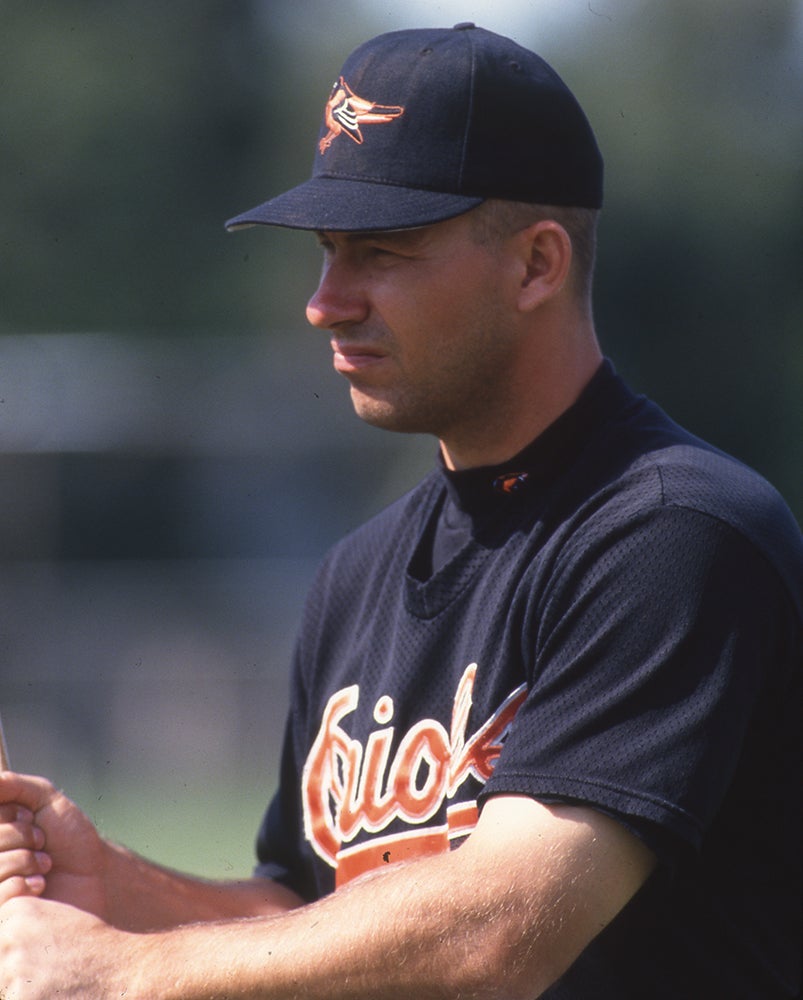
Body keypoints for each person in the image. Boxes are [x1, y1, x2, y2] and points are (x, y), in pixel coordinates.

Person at [0, 23, 800, 999]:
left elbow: (499, 933)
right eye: (328, 250)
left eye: (380, 252)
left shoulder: (672, 534)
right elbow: (315, 919)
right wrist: (118, 885)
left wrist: (123, 975)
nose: (324, 302)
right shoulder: (360, 571)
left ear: (535, 265)